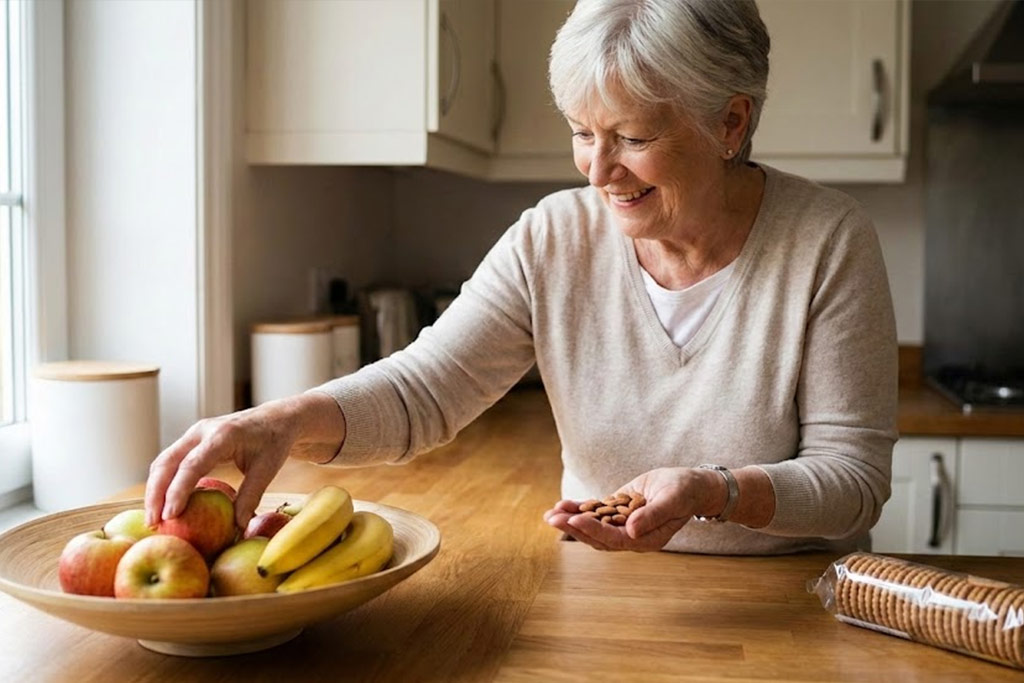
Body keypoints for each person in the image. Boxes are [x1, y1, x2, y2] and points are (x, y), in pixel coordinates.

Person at [145, 0, 897, 555]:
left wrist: (715, 491)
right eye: (581, 133)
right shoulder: (552, 237)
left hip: (792, 608)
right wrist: (282, 419)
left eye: (632, 137)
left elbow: (851, 480)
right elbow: (423, 390)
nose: (599, 171)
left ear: (730, 124)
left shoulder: (828, 242)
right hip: (605, 590)